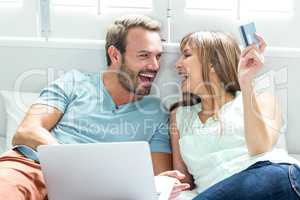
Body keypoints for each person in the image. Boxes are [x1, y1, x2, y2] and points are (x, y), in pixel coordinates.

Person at [0, 15, 189, 200]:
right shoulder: (74, 82)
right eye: (144, 56)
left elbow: (157, 177)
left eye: (158, 56)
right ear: (115, 55)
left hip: (101, 189)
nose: (155, 65)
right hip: (33, 167)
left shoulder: (156, 111)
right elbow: (27, 131)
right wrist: (77, 165)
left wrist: (165, 183)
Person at [170, 31, 300, 200]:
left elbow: (260, 150)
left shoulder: (262, 99)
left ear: (212, 64)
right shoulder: (179, 117)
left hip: (273, 178)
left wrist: (246, 81)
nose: (177, 64)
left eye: (186, 55)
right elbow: (183, 181)